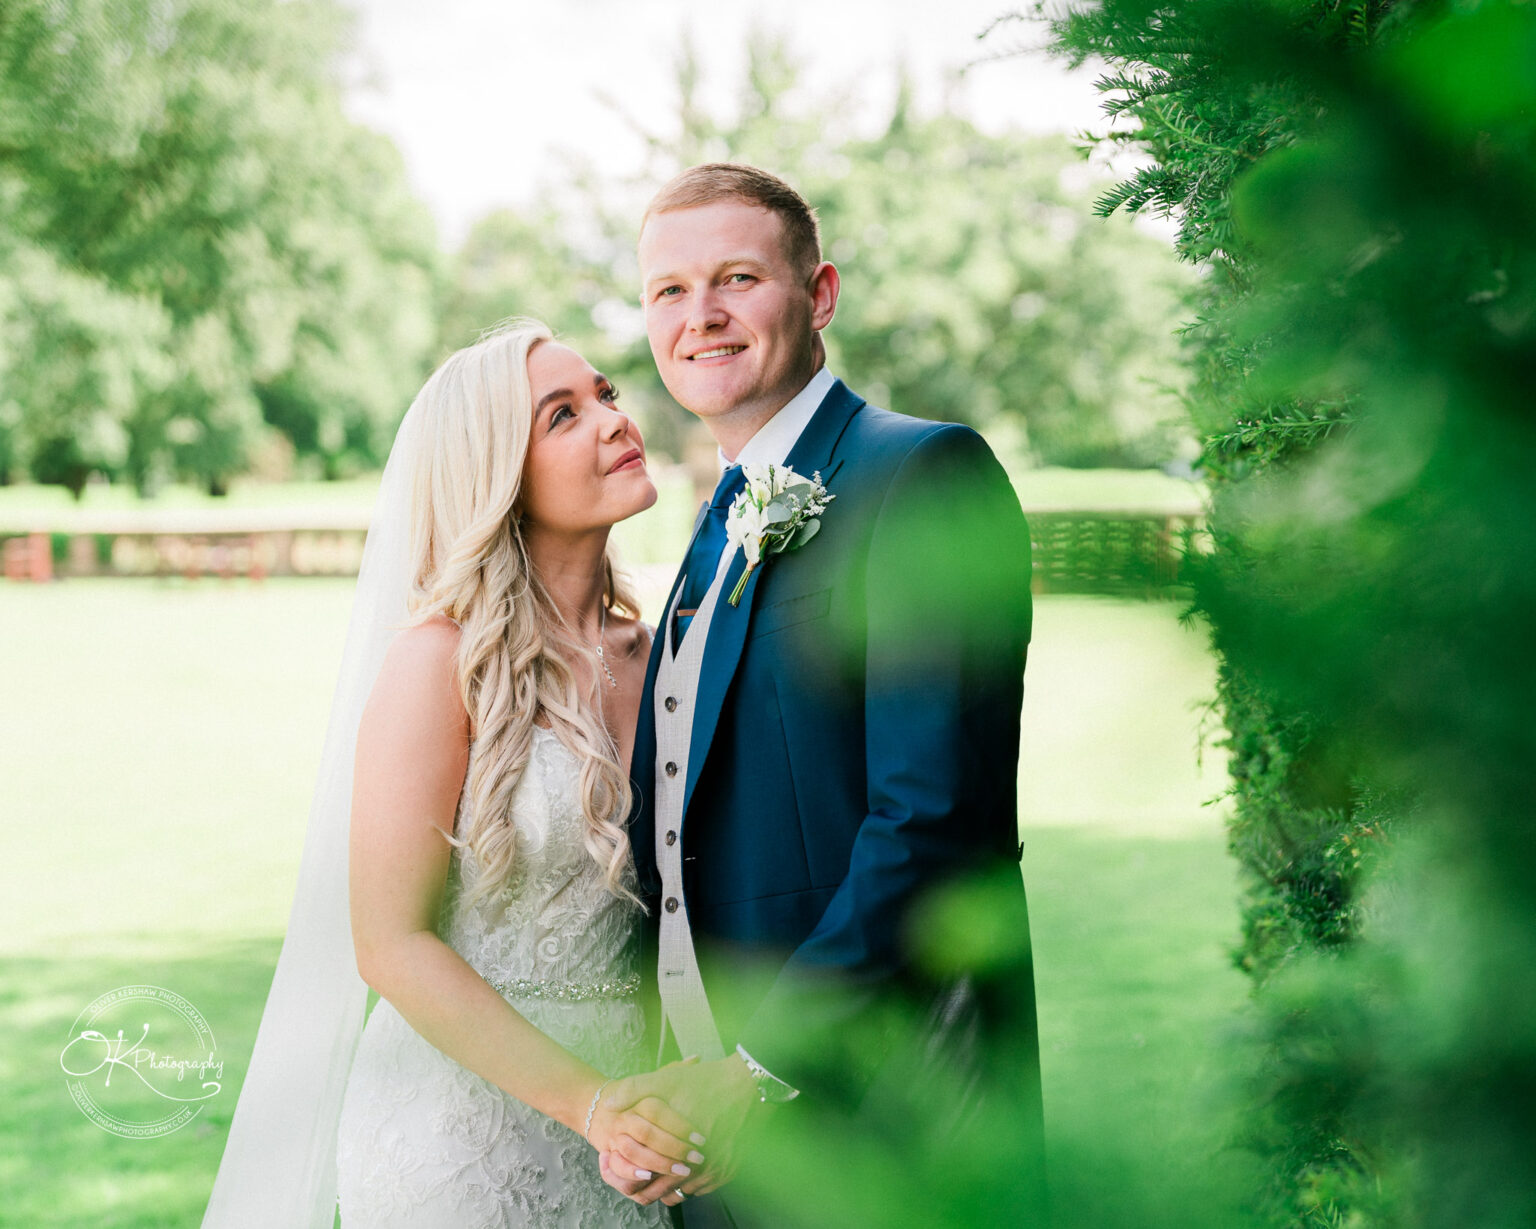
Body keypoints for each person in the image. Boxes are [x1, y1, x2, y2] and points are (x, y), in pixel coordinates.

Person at [608, 164, 1043, 1224]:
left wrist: (756, 1067)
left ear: (821, 294)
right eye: (668, 290)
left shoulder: (922, 473)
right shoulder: (714, 519)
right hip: (719, 1130)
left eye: (736, 278)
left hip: (881, 1105)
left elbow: (935, 817)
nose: (699, 315)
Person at [202, 320, 704, 1228]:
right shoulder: (440, 663)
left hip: (634, 1141)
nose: (613, 420)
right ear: (498, 477)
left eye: (606, 395)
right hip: (460, 1148)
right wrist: (591, 1104)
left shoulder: (669, 656)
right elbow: (389, 943)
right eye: (563, 414)